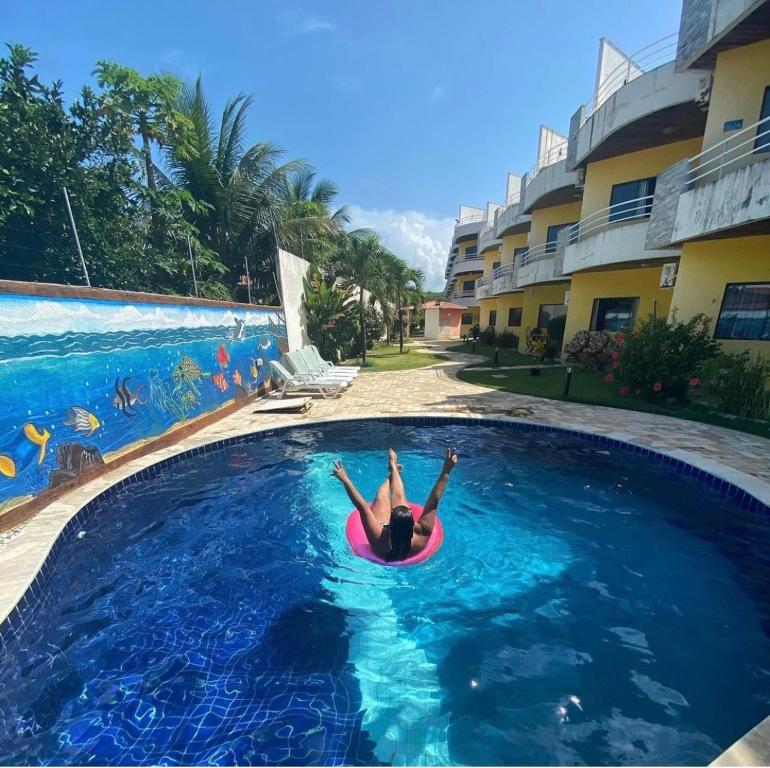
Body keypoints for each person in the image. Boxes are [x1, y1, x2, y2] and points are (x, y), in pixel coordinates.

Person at [332, 447, 458, 562]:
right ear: (412, 524)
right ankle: (393, 469)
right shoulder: (422, 533)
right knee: (400, 497)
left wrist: (345, 479)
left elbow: (362, 507)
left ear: (390, 523)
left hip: (386, 545)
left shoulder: (379, 540)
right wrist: (446, 471)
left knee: (381, 497)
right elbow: (434, 501)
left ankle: (392, 473)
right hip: (405, 539)